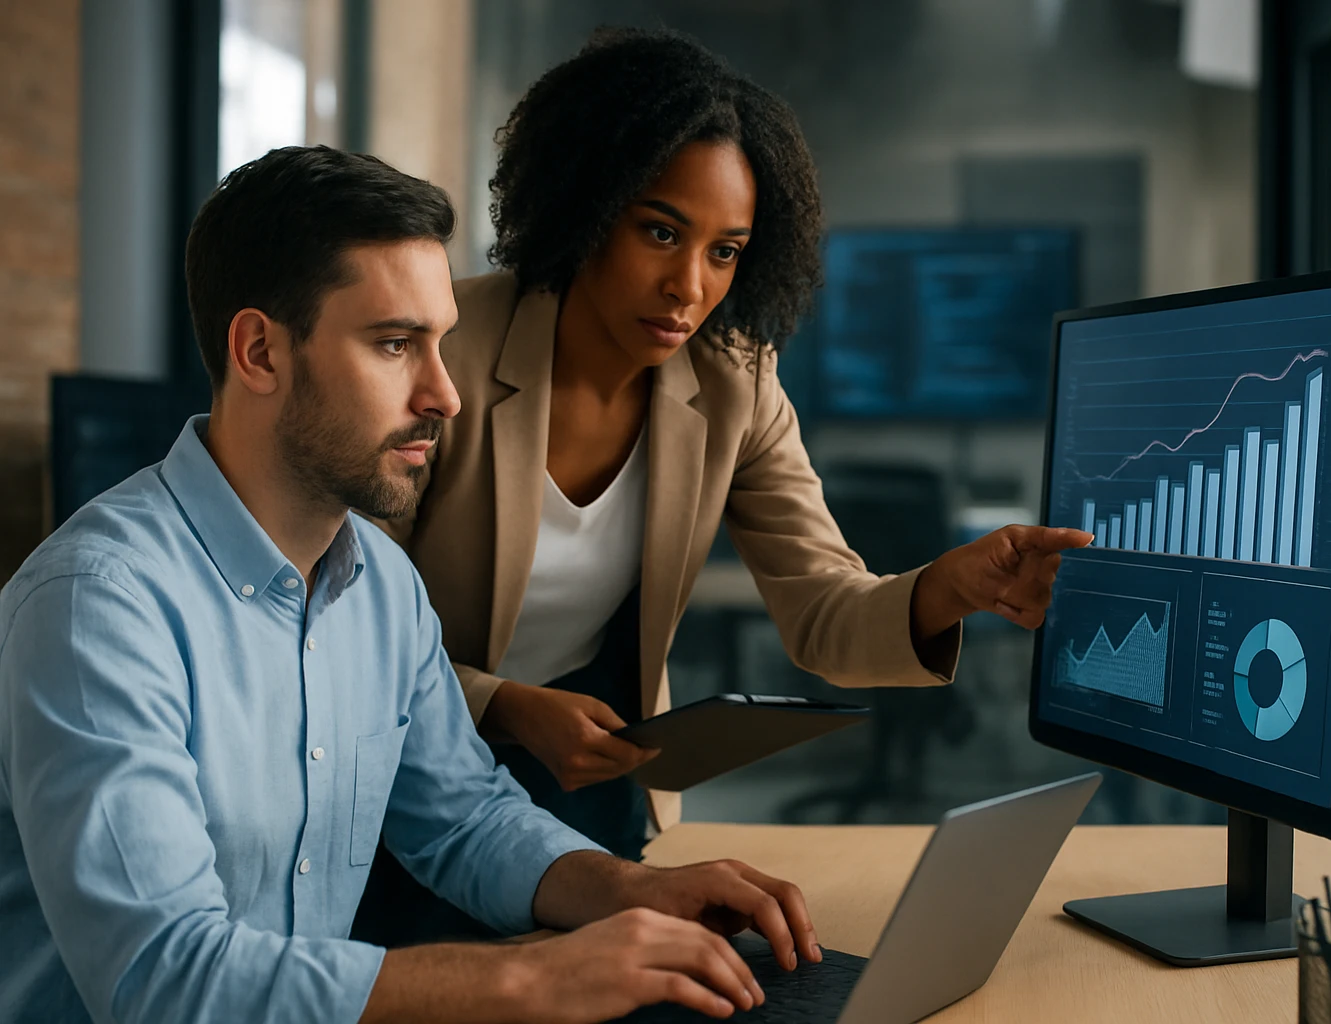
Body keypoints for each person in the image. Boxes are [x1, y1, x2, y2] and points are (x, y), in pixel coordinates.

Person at [0, 145, 823, 1024]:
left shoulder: (382, 585)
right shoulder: (99, 607)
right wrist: (536, 980)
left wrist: (632, 893)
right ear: (259, 352)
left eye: (441, 345)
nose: (445, 395)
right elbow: (165, 979)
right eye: (395, 345)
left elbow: (465, 818)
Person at [361, 26, 1091, 927]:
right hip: (398, 773)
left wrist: (948, 587)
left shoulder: (733, 378)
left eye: (725, 250)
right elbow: (342, 629)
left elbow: (822, 608)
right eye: (661, 231)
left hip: (592, 780)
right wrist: (506, 707)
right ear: (584, 202)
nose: (689, 286)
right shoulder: (442, 348)